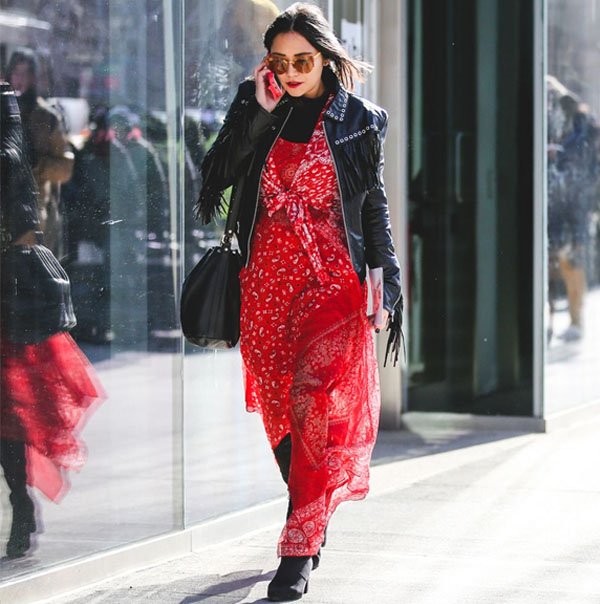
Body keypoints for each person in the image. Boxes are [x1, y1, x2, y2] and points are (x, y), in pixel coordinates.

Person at [195, 4, 402, 600]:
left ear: (327, 58)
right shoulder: (257, 101)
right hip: (264, 283)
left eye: (302, 61)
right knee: (283, 411)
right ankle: (310, 508)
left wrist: (386, 279)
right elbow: (216, 179)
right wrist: (257, 118)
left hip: (329, 279)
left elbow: (372, 206)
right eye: (279, 61)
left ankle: (298, 551)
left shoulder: (360, 119)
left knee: (313, 401)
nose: (289, 72)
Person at [0, 81, 104, 558]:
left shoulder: (9, 120)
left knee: (9, 412)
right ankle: (19, 501)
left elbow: (15, 172)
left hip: (6, 286)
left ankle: (19, 500)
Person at [6, 49, 74, 258]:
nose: (20, 80)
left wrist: (39, 164)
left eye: (26, 73)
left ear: (34, 77)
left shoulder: (47, 117)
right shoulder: (3, 113)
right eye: (16, 73)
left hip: (35, 217)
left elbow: (65, 168)